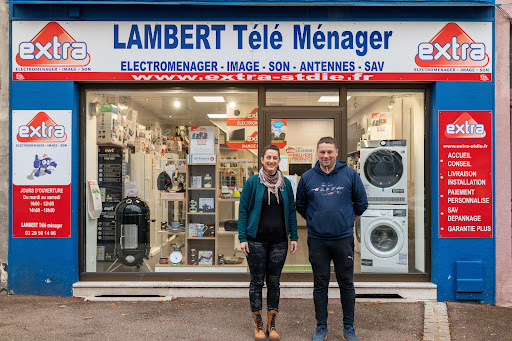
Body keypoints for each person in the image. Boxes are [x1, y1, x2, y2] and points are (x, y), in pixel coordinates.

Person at [296, 136, 368, 341]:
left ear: (336, 152)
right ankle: (321, 327)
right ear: (317, 154)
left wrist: (346, 221)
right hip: (318, 240)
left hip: (343, 239)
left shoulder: (350, 175)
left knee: (346, 283)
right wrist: (316, 220)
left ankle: (349, 327)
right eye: (322, 152)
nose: (325, 155)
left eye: (329, 152)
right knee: (320, 284)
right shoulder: (308, 177)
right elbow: (300, 205)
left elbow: (361, 203)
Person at [238, 144, 298, 341]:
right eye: (268, 157)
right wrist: (243, 238)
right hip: (255, 242)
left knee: (274, 282)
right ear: (262, 160)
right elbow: (243, 211)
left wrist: (294, 236)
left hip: (279, 242)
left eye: (275, 158)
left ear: (279, 161)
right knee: (256, 282)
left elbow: (291, 212)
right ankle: (258, 325)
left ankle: (272, 325)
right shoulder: (253, 183)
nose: (271, 161)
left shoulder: (286, 184)